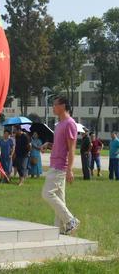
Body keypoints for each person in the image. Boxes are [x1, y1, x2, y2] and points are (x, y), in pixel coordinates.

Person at [41, 96, 80, 235]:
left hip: (60, 166)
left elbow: (71, 148)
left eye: (55, 105)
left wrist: (69, 169)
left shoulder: (70, 123)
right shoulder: (59, 125)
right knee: (60, 199)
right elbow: (60, 145)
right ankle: (62, 229)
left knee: (47, 194)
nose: (53, 107)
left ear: (63, 106)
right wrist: (48, 145)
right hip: (55, 163)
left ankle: (70, 220)